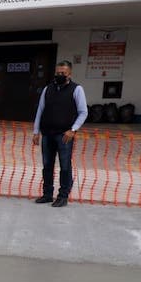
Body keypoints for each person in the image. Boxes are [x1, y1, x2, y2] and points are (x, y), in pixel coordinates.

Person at [32, 60, 88, 208]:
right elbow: (40, 111)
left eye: (63, 73)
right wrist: (36, 131)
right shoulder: (48, 89)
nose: (60, 75)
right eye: (58, 73)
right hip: (47, 134)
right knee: (47, 165)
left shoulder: (77, 90)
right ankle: (47, 194)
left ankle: (63, 196)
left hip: (64, 135)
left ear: (69, 73)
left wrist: (73, 129)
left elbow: (83, 112)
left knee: (64, 166)